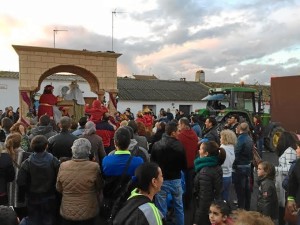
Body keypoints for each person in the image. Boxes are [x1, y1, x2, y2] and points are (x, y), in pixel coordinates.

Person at [56, 138, 103, 225]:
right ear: (88, 151)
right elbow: (99, 186)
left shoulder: (63, 166)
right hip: (89, 210)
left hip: (67, 210)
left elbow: (59, 188)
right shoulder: (94, 167)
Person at [17, 135, 60, 225]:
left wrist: (25, 194)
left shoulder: (27, 162)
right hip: (50, 195)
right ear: (46, 146)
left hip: (33, 197)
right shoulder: (54, 160)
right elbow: (59, 177)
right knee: (49, 219)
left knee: (33, 220)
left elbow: (21, 181)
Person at [151, 121, 187, 225]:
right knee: (179, 207)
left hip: (161, 180)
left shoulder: (157, 145)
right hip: (176, 179)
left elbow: (153, 164)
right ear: (172, 133)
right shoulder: (180, 146)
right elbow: (184, 166)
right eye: (178, 131)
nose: (179, 133)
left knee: (161, 209)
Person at [193, 141, 226, 225]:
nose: (198, 151)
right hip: (213, 205)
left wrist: (197, 220)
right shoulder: (216, 165)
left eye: (200, 149)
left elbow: (205, 199)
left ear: (206, 153)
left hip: (206, 211)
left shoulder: (205, 172)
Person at [275, 131, 298, 225]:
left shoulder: (289, 151)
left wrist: (276, 169)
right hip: (284, 182)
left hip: (286, 185)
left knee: (284, 208)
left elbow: (290, 169)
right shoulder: (289, 150)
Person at [177, 117, 198, 218]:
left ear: (184, 125)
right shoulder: (194, 134)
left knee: (181, 185)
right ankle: (189, 204)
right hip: (191, 164)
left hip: (181, 165)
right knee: (189, 184)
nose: (178, 126)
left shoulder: (180, 136)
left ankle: (182, 204)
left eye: (179, 124)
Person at [5, 133, 27, 219]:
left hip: (6, 195)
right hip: (22, 194)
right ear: (20, 143)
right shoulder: (27, 156)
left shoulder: (3, 156)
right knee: (22, 218)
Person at [232, 122, 253, 210]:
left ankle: (241, 209)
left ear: (240, 129)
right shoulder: (249, 138)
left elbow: (236, 153)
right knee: (247, 189)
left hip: (240, 167)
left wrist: (233, 164)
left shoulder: (240, 139)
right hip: (247, 166)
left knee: (240, 190)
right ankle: (247, 207)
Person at [220, 129, 237, 202]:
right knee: (225, 196)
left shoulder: (222, 149)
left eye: (221, 137)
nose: (220, 138)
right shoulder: (231, 148)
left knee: (219, 198)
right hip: (229, 175)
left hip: (221, 176)